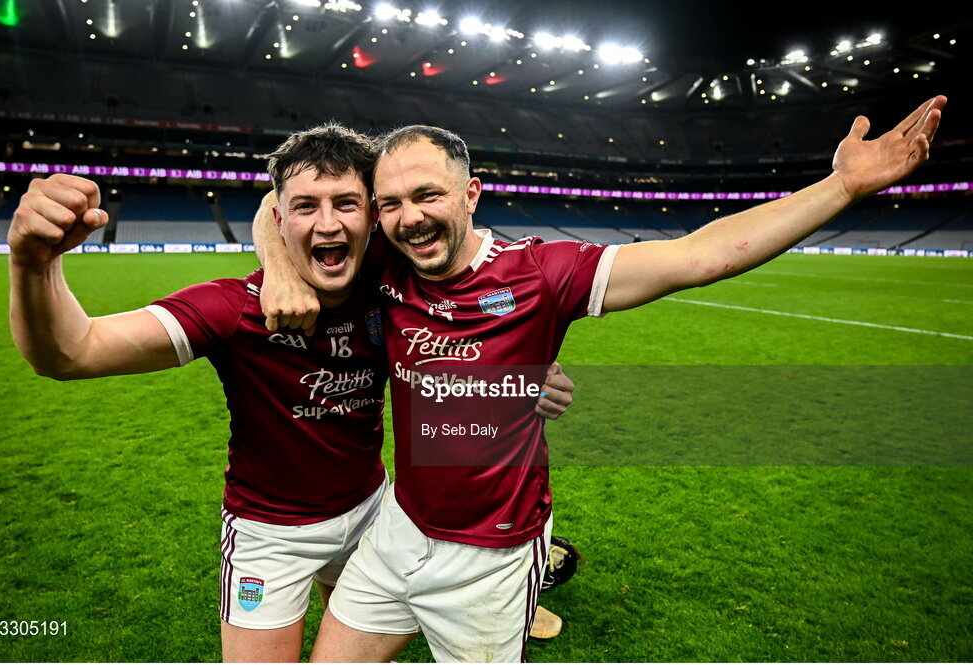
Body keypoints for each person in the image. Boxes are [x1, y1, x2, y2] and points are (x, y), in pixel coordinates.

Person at [254, 96, 946, 662]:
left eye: (427, 196)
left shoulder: (543, 271)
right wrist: (281, 271)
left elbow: (699, 256)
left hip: (493, 552)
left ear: (471, 194)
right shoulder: (386, 260)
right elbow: (276, 203)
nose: (409, 218)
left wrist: (842, 185)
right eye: (391, 203)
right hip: (400, 527)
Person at [7, 123, 574, 663]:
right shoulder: (232, 308)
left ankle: (513, 587)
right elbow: (71, 352)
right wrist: (33, 264)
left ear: (372, 217)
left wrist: (521, 379)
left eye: (346, 205)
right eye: (305, 208)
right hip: (269, 533)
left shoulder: (387, 283)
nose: (327, 224)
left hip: (374, 515)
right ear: (281, 217)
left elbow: (465, 317)